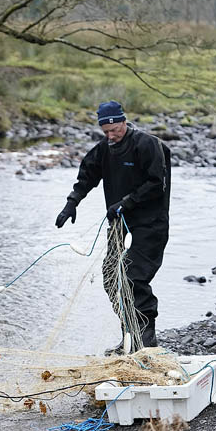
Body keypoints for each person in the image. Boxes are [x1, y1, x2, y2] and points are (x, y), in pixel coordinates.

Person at [55, 101, 170, 354]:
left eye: (114, 130)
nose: (110, 136)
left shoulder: (147, 145)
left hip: (149, 225)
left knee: (132, 278)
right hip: (119, 227)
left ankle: (146, 342)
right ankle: (130, 336)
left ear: (123, 122)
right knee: (111, 279)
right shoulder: (104, 150)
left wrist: (126, 203)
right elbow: (86, 177)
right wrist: (71, 204)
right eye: (105, 132)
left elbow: (155, 184)